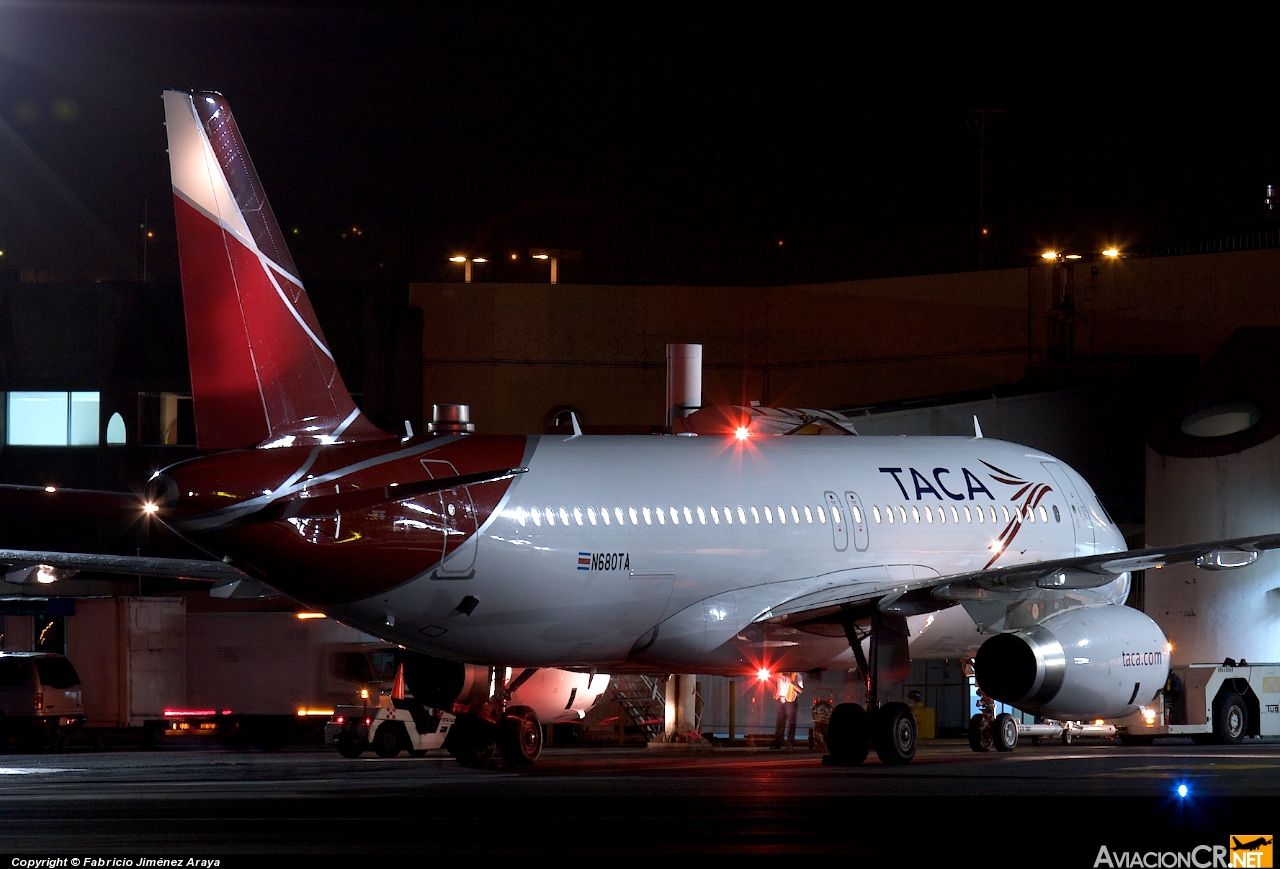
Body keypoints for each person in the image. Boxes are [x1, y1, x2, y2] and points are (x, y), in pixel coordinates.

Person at [771, 671, 804, 749]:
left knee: (791, 723)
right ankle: (777, 743)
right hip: (780, 699)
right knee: (780, 722)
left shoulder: (797, 675)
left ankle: (790, 743)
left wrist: (792, 683)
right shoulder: (778, 674)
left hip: (791, 701)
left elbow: (801, 690)